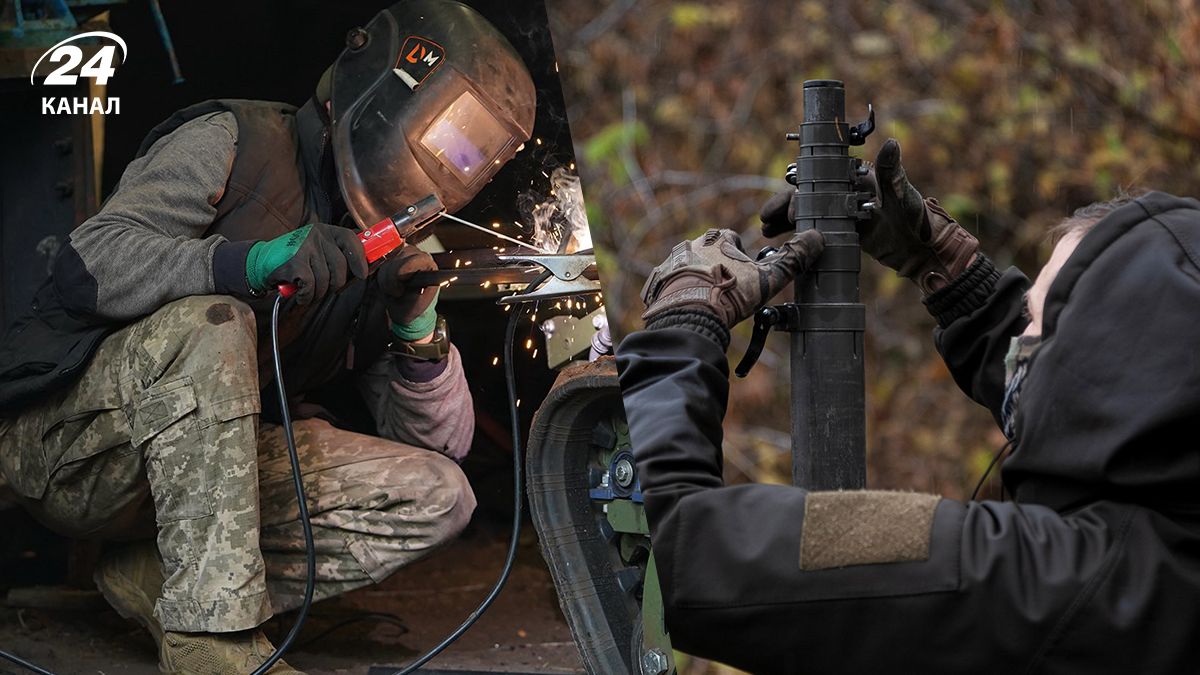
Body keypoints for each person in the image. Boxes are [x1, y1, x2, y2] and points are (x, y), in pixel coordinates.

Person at [0, 1, 535, 672]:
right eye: (448, 134)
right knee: (216, 322)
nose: (451, 161)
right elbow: (90, 262)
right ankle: (210, 642)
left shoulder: (382, 258)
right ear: (382, 81)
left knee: (438, 494)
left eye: (471, 155)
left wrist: (416, 331)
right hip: (70, 449)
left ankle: (168, 579)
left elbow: (436, 449)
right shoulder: (234, 141)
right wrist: (242, 265)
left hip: (202, 480)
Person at [617, 137, 1200, 674]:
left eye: (1034, 319)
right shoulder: (1168, 546)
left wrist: (681, 329)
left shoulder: (1039, 583)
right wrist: (955, 276)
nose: (1019, 341)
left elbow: (692, 557)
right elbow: (1102, 394)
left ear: (1095, 365)